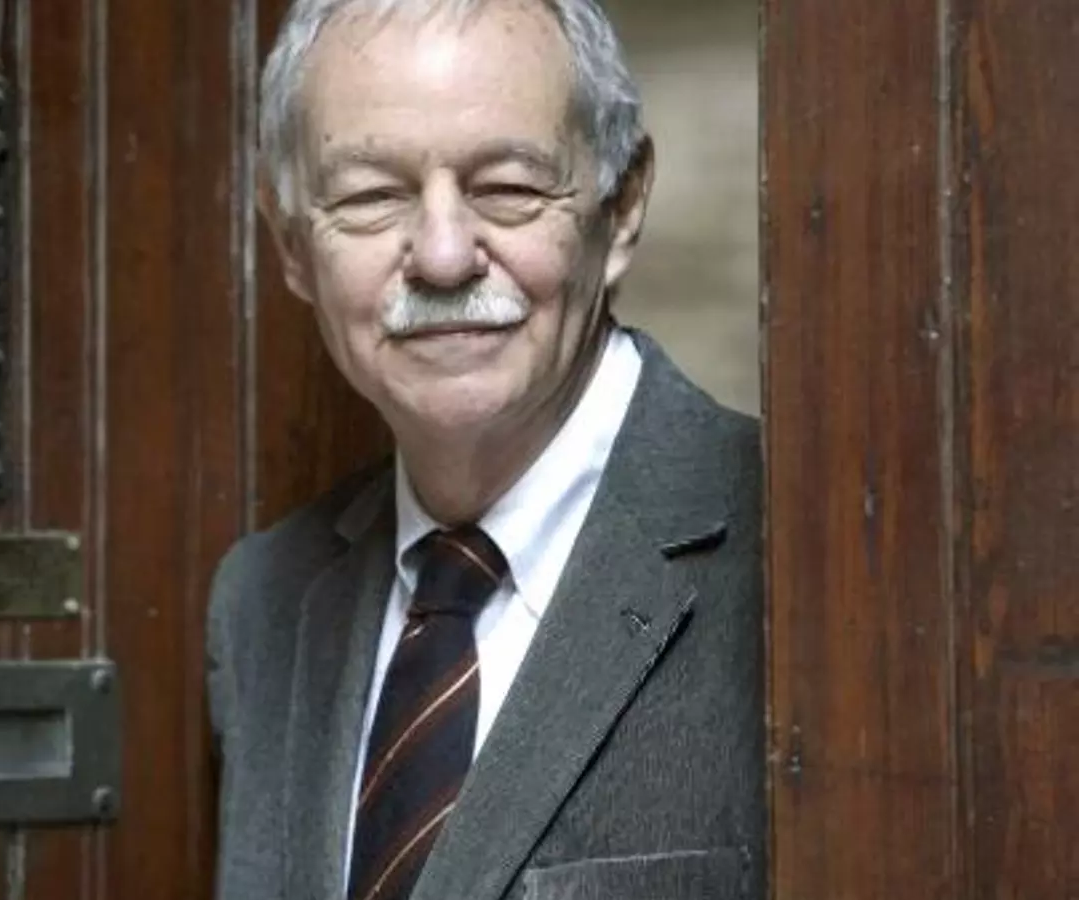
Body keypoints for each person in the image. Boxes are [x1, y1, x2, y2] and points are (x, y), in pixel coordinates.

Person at [204, 0, 764, 898]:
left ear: (621, 207)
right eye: (371, 197)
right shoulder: (263, 603)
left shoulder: (791, 557)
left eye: (507, 187)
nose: (442, 256)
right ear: (292, 246)